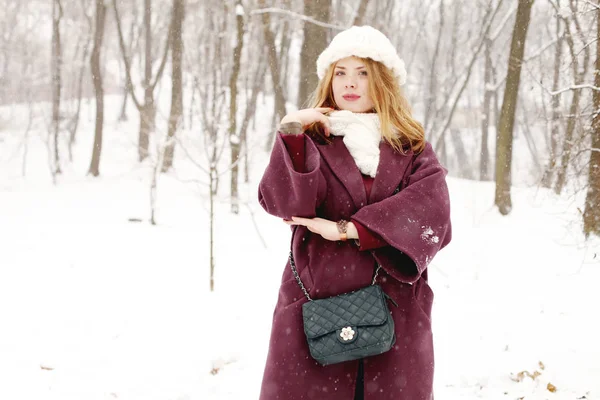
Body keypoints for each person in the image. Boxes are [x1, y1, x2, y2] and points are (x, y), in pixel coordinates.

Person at [257, 25, 452, 400]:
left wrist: (347, 230)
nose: (350, 83)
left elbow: (433, 213)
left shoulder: (410, 145)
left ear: (382, 80)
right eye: (341, 73)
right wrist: (293, 133)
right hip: (318, 300)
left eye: (362, 72)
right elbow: (284, 203)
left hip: (394, 302)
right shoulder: (314, 138)